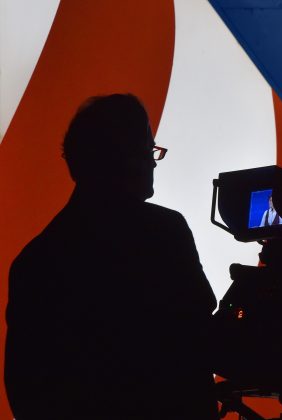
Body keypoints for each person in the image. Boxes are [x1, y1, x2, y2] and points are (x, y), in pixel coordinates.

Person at [4, 94, 219, 419]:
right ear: (126, 156)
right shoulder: (164, 231)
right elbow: (200, 325)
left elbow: (24, 386)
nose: (153, 161)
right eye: (149, 151)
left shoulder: (34, 260)